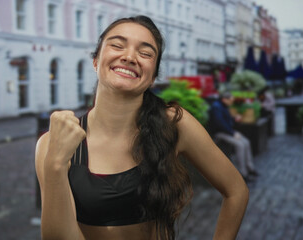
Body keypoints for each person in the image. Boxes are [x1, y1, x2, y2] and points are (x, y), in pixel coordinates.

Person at [35, 15, 249, 240]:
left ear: (153, 77)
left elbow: (236, 191)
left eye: (145, 53)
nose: (129, 57)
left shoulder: (174, 124)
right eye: (117, 45)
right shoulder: (53, 144)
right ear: (96, 61)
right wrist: (56, 164)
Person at [208, 92, 259, 182]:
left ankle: (250, 168)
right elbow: (220, 124)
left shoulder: (222, 106)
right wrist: (232, 133)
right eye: (231, 100)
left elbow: (225, 120)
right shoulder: (216, 107)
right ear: (224, 99)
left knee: (246, 142)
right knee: (240, 145)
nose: (232, 102)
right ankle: (242, 173)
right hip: (220, 133)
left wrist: (234, 119)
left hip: (227, 131)